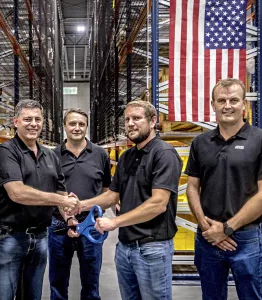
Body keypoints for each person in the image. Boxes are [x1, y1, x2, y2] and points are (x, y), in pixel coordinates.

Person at [79, 100, 182, 300]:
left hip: (152, 248)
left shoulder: (164, 154)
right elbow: (112, 195)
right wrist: (80, 205)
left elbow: (158, 204)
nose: (130, 124)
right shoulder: (127, 157)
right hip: (125, 247)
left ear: (153, 121)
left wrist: (115, 222)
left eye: (136, 118)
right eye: (127, 119)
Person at [0, 100, 80, 300]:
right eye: (27, 119)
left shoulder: (50, 155)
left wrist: (68, 217)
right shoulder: (6, 152)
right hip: (8, 237)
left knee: (32, 295)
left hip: (39, 236)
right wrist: (61, 200)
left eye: (38, 119)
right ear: (16, 122)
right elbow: (17, 193)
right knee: (3, 295)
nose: (33, 124)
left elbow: (60, 193)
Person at [185, 78, 262, 300]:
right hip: (207, 238)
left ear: (244, 104)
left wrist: (227, 228)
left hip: (246, 238)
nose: (227, 105)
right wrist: (205, 226)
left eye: (234, 100)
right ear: (212, 104)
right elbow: (192, 188)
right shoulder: (200, 143)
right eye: (221, 100)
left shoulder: (259, 139)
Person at [48, 108, 111, 300]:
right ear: (64, 127)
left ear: (87, 127)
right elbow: (50, 191)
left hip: (91, 226)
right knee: (58, 283)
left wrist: (97, 213)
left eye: (81, 124)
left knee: (91, 283)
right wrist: (68, 217)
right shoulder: (52, 155)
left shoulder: (100, 154)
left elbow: (107, 190)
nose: (77, 128)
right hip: (59, 226)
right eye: (72, 124)